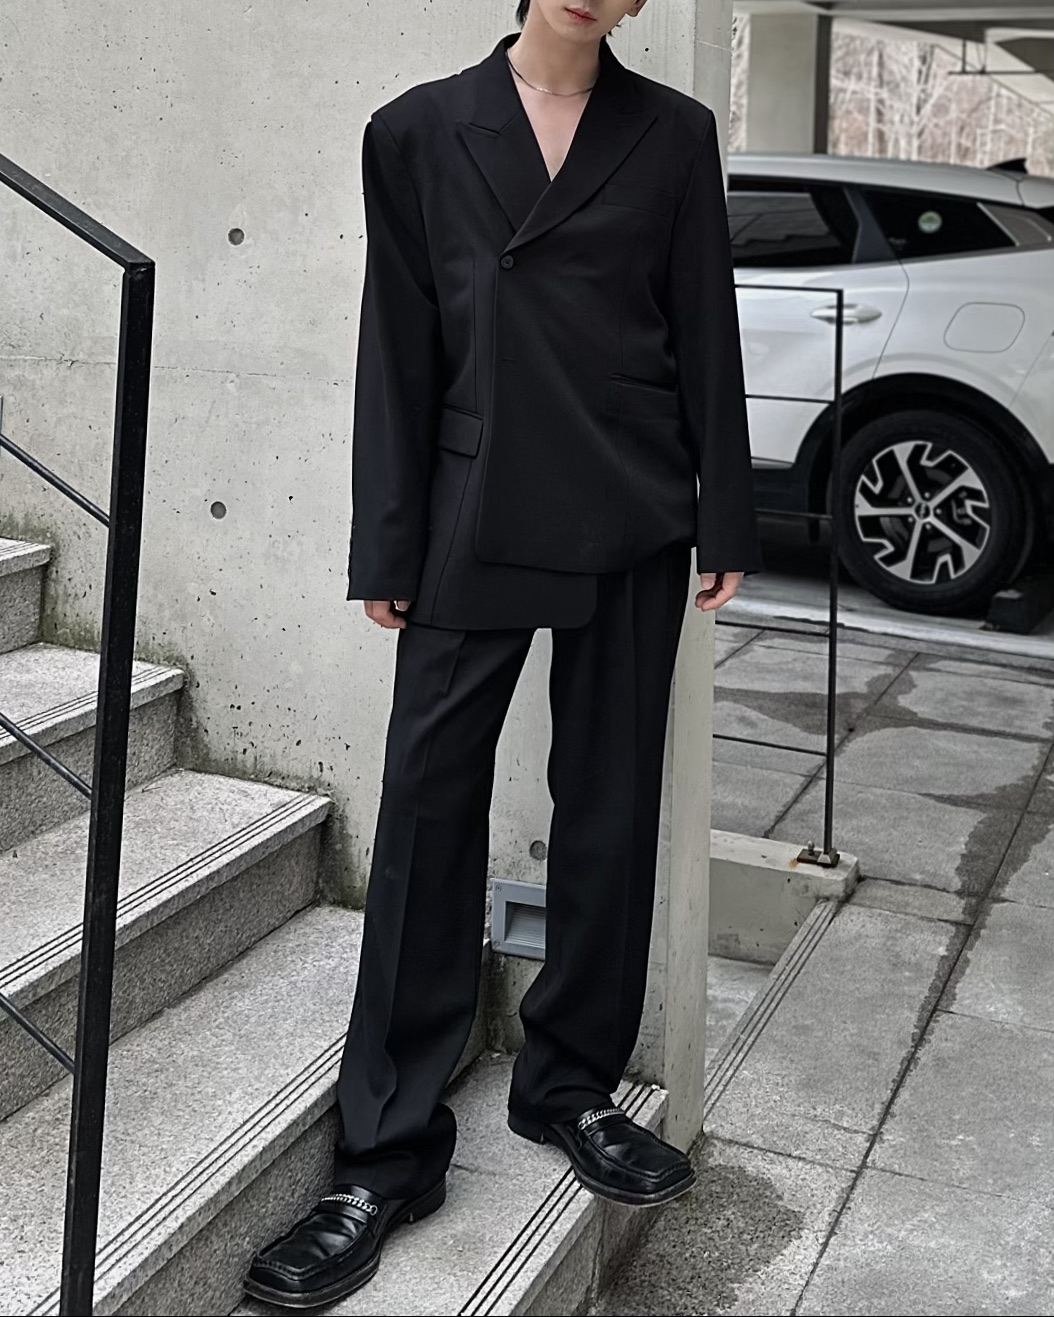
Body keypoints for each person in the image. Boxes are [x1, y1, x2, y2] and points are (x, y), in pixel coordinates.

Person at [245, 0, 763, 1307]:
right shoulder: (417, 130)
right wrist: (387, 539)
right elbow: (397, 340)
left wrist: (724, 513)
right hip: (472, 504)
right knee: (429, 807)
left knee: (609, 803)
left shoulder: (672, 132)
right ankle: (386, 1152)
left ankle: (568, 1083)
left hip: (632, 500)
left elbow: (703, 320)